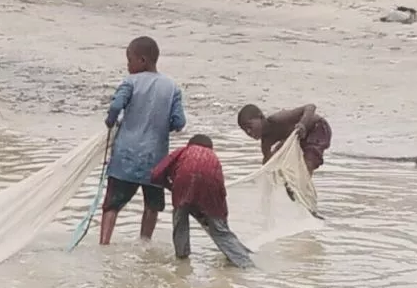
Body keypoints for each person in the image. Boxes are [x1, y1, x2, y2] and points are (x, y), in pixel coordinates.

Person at [99, 36, 186, 245]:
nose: (128, 65)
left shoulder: (130, 82)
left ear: (143, 60)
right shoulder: (172, 87)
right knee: (152, 205)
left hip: (125, 158)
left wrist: (111, 122)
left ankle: (104, 244)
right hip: (155, 160)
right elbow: (179, 122)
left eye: (130, 60)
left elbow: (115, 106)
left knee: (111, 205)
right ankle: (144, 243)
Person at [151, 134, 254, 268]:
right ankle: (245, 263)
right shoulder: (213, 158)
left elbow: (155, 174)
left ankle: (182, 259)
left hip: (183, 182)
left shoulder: (183, 151)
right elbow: (221, 191)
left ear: (190, 144)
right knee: (219, 229)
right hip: (210, 186)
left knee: (180, 221)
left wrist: (171, 187)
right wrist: (221, 218)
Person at [236, 103, 331, 217]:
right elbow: (267, 167)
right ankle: (299, 195)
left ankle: (309, 205)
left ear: (260, 117)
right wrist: (265, 199)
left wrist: (302, 124)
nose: (249, 133)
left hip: (317, 129)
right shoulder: (266, 143)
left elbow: (310, 107)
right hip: (297, 139)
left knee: (306, 166)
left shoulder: (278, 119)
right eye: (245, 131)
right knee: (283, 166)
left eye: (250, 127)